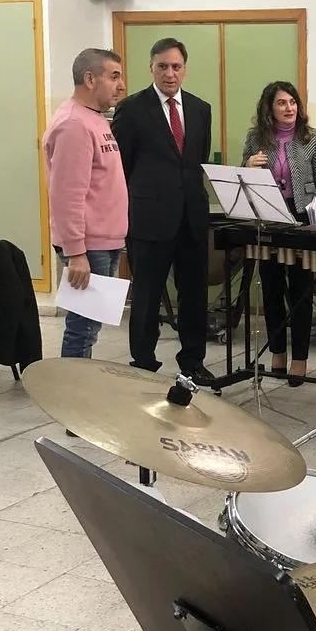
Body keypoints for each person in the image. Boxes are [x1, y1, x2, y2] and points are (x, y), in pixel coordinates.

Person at [112, 38, 215, 385]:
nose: (170, 73)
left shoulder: (201, 109)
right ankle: (143, 362)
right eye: (163, 66)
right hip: (148, 220)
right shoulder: (133, 109)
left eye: (176, 66)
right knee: (147, 295)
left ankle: (192, 361)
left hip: (191, 219)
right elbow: (120, 168)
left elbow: (195, 162)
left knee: (194, 295)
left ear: (185, 68)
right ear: (151, 68)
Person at [243, 81, 316, 383]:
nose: (289, 108)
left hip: (301, 218)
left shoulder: (310, 138)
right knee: (270, 289)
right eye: (282, 103)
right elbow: (241, 177)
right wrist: (247, 165)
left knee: (299, 291)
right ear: (270, 108)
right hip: (268, 218)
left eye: (292, 102)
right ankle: (277, 351)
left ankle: (301, 357)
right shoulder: (256, 138)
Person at [44, 49, 127, 359]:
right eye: (114, 76)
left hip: (103, 241)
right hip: (87, 246)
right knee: (82, 329)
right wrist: (76, 252)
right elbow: (66, 194)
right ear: (90, 79)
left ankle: (80, 394)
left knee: (91, 327)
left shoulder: (95, 119)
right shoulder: (73, 124)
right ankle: (71, 400)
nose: (121, 85)